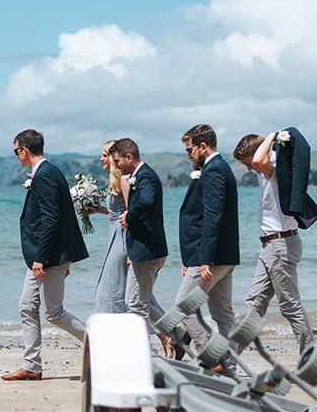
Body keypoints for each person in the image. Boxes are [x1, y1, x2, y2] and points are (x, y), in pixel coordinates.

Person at [2, 129, 89, 381]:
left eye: (16, 151)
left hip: (46, 257)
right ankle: (32, 366)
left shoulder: (46, 175)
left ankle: (100, 343)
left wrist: (44, 257)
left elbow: (52, 219)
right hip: (45, 256)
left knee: (54, 312)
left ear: (25, 150)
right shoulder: (46, 173)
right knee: (27, 307)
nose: (17, 156)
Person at [233, 128, 317, 353]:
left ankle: (309, 359)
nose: (247, 167)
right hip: (271, 246)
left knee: (290, 305)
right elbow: (256, 159)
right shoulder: (265, 170)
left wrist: (273, 135)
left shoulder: (275, 168)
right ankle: (228, 360)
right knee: (255, 303)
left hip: (281, 246)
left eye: (246, 163)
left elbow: (258, 159)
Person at [176, 124, 239, 356]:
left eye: (189, 150)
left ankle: (212, 357)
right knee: (222, 313)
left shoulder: (213, 170)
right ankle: (228, 366)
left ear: (203, 146)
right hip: (222, 255)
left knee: (183, 306)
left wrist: (204, 258)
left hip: (211, 258)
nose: (188, 155)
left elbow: (213, 215)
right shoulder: (219, 168)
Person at [92, 140, 166, 321]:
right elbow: (119, 211)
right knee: (136, 297)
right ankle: (171, 334)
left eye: (106, 155)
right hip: (117, 236)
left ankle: (162, 336)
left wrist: (130, 249)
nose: (103, 159)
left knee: (129, 298)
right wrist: (95, 209)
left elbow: (129, 210)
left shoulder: (127, 179)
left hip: (124, 238)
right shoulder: (121, 178)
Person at [109, 138, 168, 341]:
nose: (116, 166)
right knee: (137, 303)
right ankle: (174, 337)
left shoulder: (145, 176)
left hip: (147, 250)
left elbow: (146, 200)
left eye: (117, 161)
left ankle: (144, 357)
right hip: (146, 250)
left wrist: (129, 216)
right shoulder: (140, 175)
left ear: (129, 157)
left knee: (135, 305)